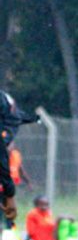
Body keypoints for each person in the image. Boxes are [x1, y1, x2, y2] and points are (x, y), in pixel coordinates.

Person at [0, 90, 37, 227]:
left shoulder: (15, 155)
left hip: (7, 186)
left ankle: (8, 229)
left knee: (8, 219)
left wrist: (28, 182)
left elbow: (19, 168)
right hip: (5, 188)